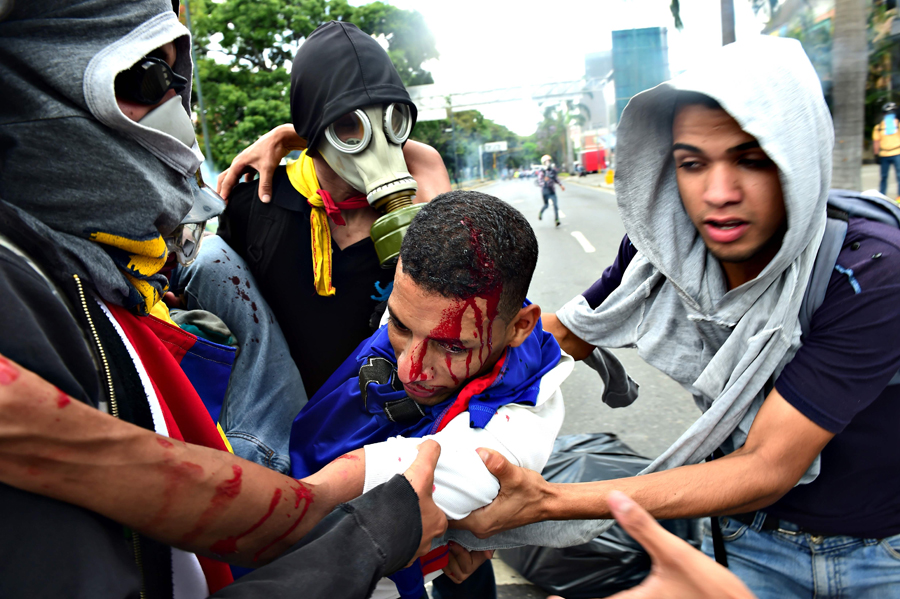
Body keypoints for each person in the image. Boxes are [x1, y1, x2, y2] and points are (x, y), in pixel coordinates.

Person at [0, 1, 446, 596]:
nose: (378, 148)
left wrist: (430, 182)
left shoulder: (429, 210)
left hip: (409, 458)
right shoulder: (256, 203)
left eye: (396, 122)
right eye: (143, 80)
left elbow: (468, 337)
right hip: (297, 466)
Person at [454, 37, 900, 598]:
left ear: (798, 156)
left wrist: (541, 506)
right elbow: (559, 337)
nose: (718, 194)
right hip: (741, 543)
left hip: (879, 557)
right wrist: (445, 422)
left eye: (752, 159)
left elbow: (766, 465)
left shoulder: (869, 269)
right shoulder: (662, 251)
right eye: (692, 163)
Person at [288, 190, 573, 598]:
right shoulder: (437, 305)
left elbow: (386, 478)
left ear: (521, 327)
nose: (410, 369)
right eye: (399, 326)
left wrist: (291, 503)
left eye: (453, 347)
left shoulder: (520, 427)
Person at [873, 101, 900, 198]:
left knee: (887, 177)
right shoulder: (880, 127)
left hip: (892, 154)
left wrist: (876, 155)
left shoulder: (880, 127)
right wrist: (876, 154)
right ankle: (886, 196)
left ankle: (884, 196)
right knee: (890, 176)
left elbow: (876, 142)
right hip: (890, 154)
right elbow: (876, 142)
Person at [537, 154, 565, 226]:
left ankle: (557, 220)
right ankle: (541, 213)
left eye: (549, 161)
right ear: (543, 162)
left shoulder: (553, 171)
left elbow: (556, 179)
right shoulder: (542, 172)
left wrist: (561, 185)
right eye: (546, 161)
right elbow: (539, 183)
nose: (548, 162)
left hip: (552, 191)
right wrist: (544, 181)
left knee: (555, 205)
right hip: (545, 191)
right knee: (546, 205)